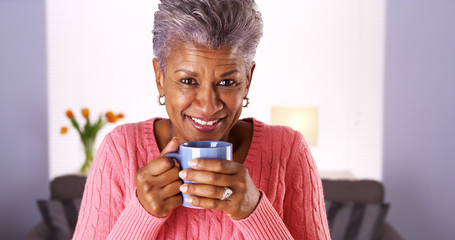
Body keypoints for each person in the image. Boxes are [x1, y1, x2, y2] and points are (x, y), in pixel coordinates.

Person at [73, 0, 330, 239]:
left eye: (227, 82)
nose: (208, 106)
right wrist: (141, 214)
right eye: (188, 81)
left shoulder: (288, 150)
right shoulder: (120, 151)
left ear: (247, 81)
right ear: (160, 79)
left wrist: (255, 212)